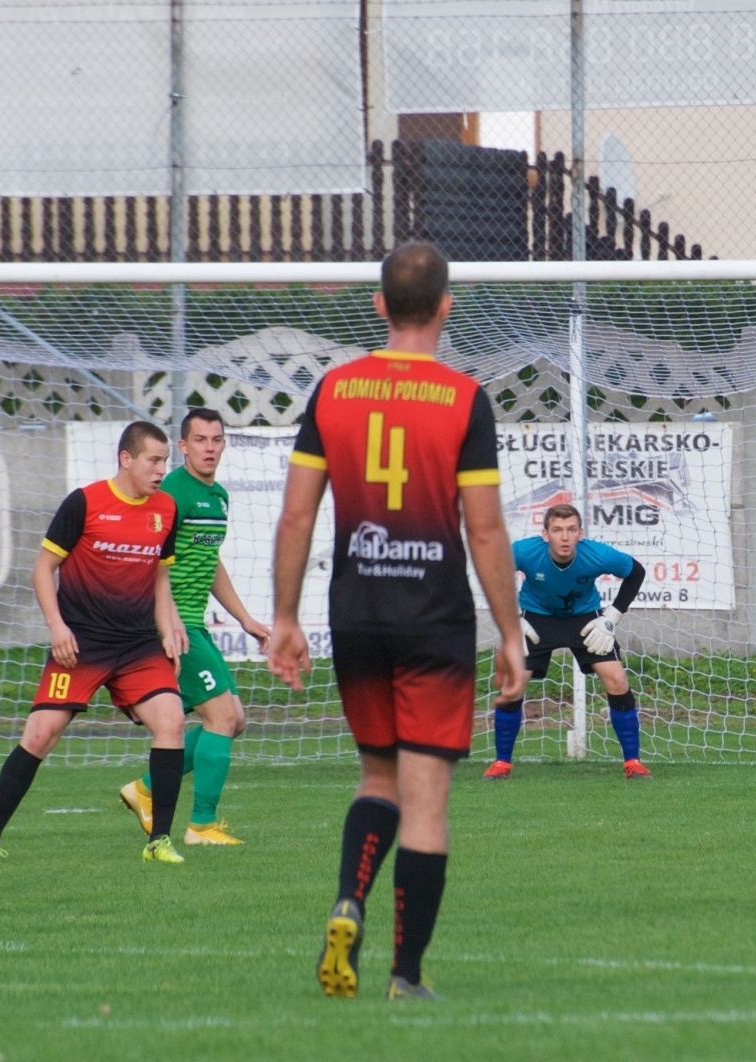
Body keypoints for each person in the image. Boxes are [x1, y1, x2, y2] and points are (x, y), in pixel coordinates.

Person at [269, 242, 526, 1001]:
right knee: (426, 800)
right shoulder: (462, 398)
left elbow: (294, 516)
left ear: (378, 304)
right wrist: (511, 634)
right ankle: (405, 976)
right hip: (432, 621)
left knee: (375, 775)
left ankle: (350, 897)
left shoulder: (334, 390)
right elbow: (483, 531)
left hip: (357, 614)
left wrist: (284, 617)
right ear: (447, 305)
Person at [0, 421, 189, 865]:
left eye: (165, 460)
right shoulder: (85, 502)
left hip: (138, 645)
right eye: (153, 459)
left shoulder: (166, 508)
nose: (162, 469)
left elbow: (160, 574)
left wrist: (168, 629)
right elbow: (42, 568)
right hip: (82, 644)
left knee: (172, 721)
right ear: (125, 459)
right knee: (40, 734)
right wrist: (56, 627)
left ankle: (159, 841)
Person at [119, 408, 270, 846]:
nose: (209, 447)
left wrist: (245, 619)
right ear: (182, 446)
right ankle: (201, 825)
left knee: (234, 719)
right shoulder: (171, 495)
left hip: (193, 624)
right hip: (173, 624)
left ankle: (144, 789)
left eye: (216, 439)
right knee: (222, 716)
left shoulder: (219, 497)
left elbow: (211, 562)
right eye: (200, 440)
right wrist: (161, 624)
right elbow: (146, 560)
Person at [484, 502, 649, 780]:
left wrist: (611, 618)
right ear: (545, 534)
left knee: (617, 679)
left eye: (571, 529)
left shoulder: (597, 554)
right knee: (512, 687)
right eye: (557, 530)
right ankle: (502, 764)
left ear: (580, 533)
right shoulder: (524, 551)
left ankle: (633, 762)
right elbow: (491, 571)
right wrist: (512, 619)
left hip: (585, 618)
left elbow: (637, 572)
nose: (564, 537)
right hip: (535, 619)